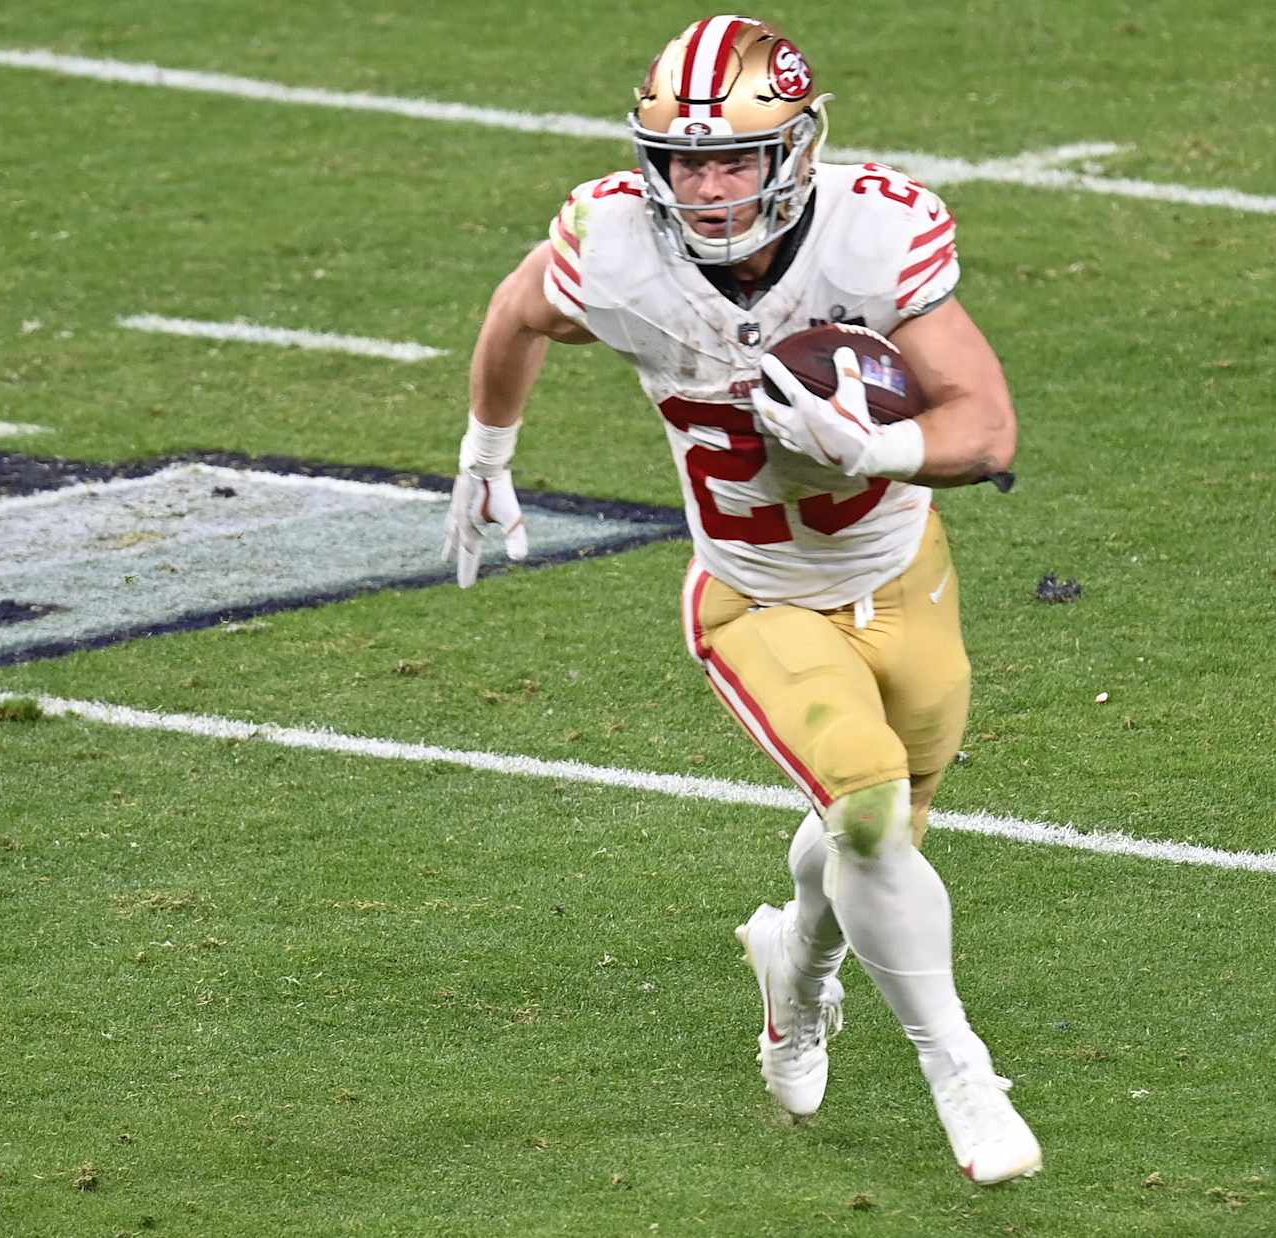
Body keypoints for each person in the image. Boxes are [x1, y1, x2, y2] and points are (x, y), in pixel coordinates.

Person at [442, 14, 1040, 1185]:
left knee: (870, 842)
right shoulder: (614, 245)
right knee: (865, 814)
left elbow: (989, 429)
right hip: (754, 596)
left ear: (796, 151)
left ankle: (795, 976)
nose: (706, 188)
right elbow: (518, 309)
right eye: (681, 161)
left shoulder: (872, 238)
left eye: (732, 159)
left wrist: (883, 447)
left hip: (904, 573)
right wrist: (485, 449)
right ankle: (960, 1070)